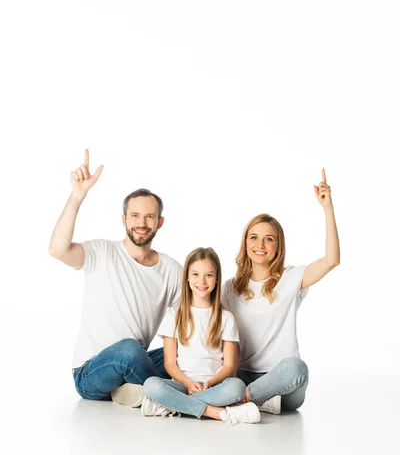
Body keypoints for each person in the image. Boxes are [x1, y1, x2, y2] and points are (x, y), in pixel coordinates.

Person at [49, 149, 182, 406]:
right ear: (124, 219)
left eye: (149, 217)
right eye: (135, 216)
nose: (141, 223)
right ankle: (171, 396)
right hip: (91, 373)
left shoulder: (172, 270)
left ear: (160, 222)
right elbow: (57, 249)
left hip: (136, 364)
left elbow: (187, 324)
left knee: (185, 353)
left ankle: (137, 392)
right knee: (129, 349)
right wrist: (77, 196)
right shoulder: (102, 252)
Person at [222, 169, 340, 415]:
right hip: (242, 375)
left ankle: (244, 401)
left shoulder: (291, 278)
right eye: (254, 238)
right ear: (246, 243)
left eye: (269, 239)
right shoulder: (230, 288)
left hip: (282, 381)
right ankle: (260, 402)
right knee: (223, 376)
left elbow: (331, 260)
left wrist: (327, 208)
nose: (260, 245)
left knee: (297, 369)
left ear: (278, 246)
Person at [142, 247, 261, 424]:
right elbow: (169, 363)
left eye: (209, 275)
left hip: (215, 386)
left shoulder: (226, 318)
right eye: (196, 274)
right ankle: (216, 412)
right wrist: (188, 383)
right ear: (187, 277)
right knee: (151, 385)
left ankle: (172, 405)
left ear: (216, 279)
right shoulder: (174, 314)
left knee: (237, 388)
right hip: (183, 386)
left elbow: (230, 366)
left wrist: (211, 383)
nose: (202, 281)